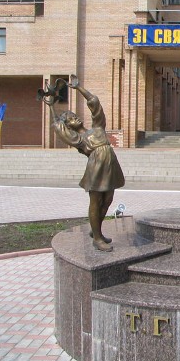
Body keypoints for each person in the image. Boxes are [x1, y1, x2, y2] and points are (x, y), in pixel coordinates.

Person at [39, 75, 125, 251]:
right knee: (96, 201)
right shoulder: (80, 140)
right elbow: (58, 127)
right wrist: (52, 109)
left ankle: (96, 230)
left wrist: (79, 89)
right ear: (69, 126)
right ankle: (97, 238)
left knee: (108, 199)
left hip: (111, 167)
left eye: (74, 115)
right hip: (96, 168)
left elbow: (95, 104)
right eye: (70, 118)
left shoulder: (97, 127)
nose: (75, 118)